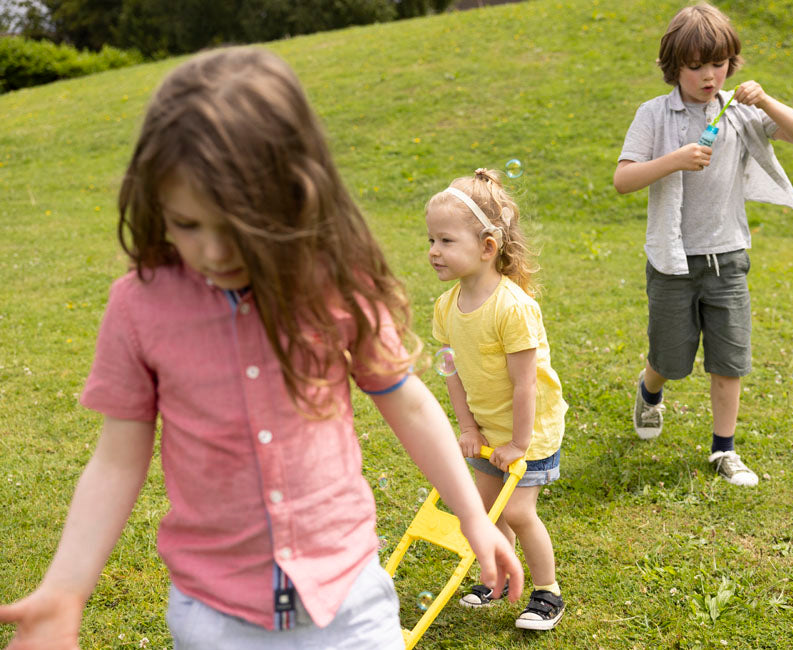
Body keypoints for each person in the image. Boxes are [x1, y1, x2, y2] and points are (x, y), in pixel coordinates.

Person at [0, 47, 523, 650]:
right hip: (215, 618)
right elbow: (118, 458)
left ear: (298, 195)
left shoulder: (333, 282)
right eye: (188, 224)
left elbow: (405, 401)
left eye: (241, 227)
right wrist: (66, 587)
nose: (215, 252)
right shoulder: (138, 307)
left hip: (349, 603)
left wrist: (471, 515)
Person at [613, 3, 793, 486]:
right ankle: (650, 389)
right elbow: (623, 179)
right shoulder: (654, 115)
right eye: (696, 65)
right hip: (672, 261)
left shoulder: (741, 110)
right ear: (673, 66)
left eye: (719, 64)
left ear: (732, 64)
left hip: (727, 257)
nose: (709, 75)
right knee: (670, 358)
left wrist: (765, 101)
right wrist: (674, 159)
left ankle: (724, 450)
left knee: (729, 359)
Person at [425, 169, 568, 630]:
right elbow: (450, 372)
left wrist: (519, 446)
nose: (433, 251)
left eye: (446, 241)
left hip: (530, 432)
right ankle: (500, 575)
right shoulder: (445, 307)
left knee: (518, 511)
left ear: (487, 247)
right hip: (488, 429)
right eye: (430, 240)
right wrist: (468, 428)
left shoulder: (514, 307)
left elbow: (526, 384)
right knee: (487, 510)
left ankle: (548, 592)